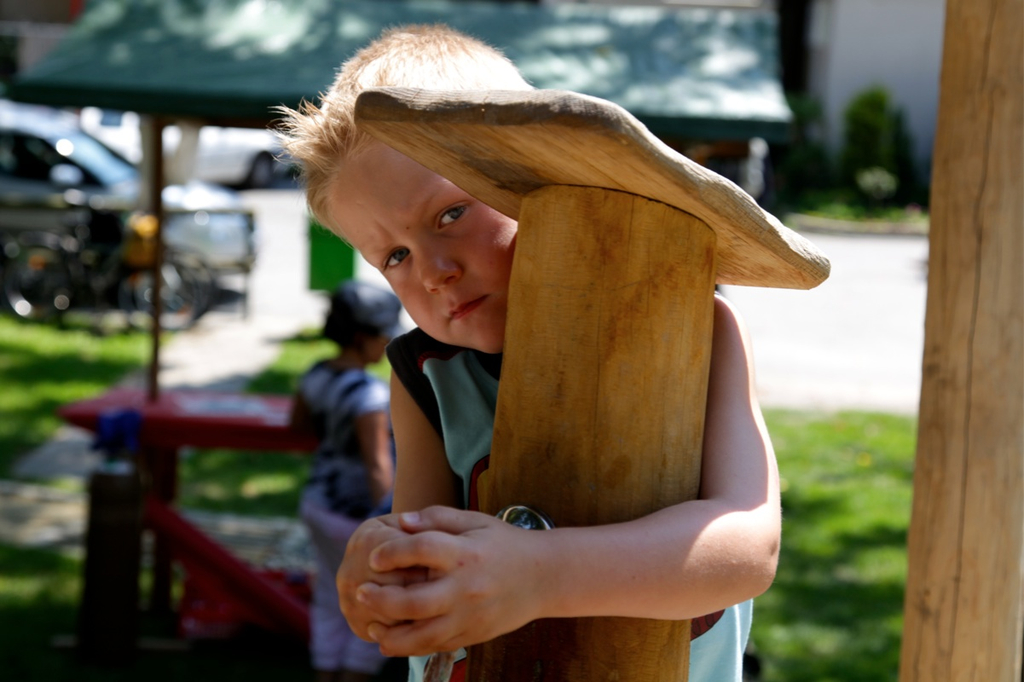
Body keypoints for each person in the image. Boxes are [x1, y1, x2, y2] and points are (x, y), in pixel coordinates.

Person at [278, 24, 780, 682]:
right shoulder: (427, 376)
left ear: (541, 177)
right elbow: (420, 542)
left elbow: (748, 547)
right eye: (394, 256)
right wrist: (382, 569)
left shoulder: (696, 329)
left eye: (450, 215)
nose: (433, 272)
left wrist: (541, 575)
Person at [290, 279, 404, 682]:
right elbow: (377, 464)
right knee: (372, 597)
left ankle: (325, 671)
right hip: (355, 514)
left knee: (328, 593)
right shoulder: (370, 395)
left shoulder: (316, 374)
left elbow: (298, 425)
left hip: (319, 502)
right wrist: (389, 519)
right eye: (382, 336)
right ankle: (355, 674)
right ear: (360, 337)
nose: (387, 344)